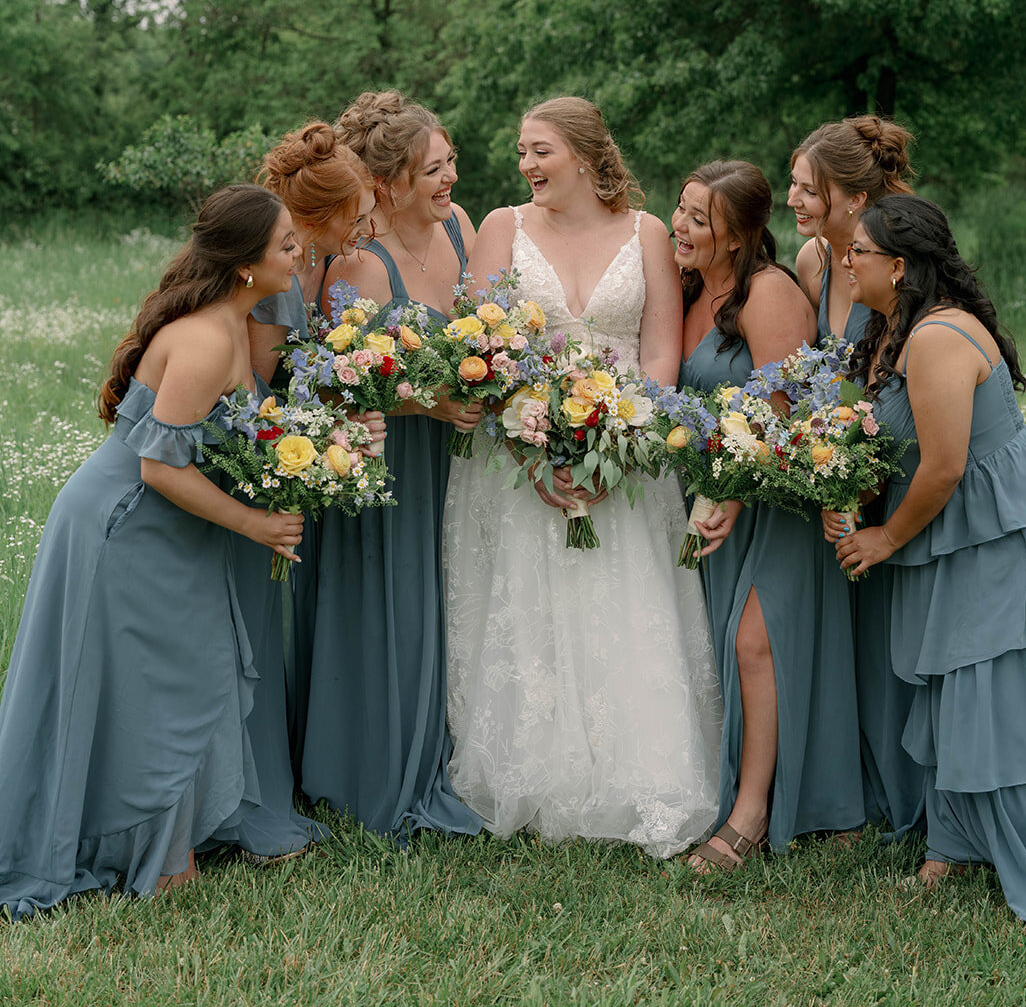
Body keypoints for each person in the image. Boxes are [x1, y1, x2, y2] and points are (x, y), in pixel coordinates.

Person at [0, 185, 306, 918]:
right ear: (243, 265)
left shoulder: (241, 319)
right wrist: (256, 525)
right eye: (287, 245)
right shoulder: (203, 338)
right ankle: (155, 857)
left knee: (184, 678)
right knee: (156, 688)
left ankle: (170, 847)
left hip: (170, 528)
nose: (300, 255)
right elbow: (159, 468)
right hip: (125, 526)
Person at [444, 97, 721, 857]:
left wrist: (625, 439)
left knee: (624, 602)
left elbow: (660, 353)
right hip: (517, 449)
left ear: (586, 156)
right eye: (523, 152)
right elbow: (482, 344)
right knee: (528, 602)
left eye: (540, 151)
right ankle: (534, 774)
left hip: (624, 454)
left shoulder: (647, 232)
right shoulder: (502, 228)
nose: (526, 165)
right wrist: (531, 445)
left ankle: (635, 772)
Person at [836, 195, 1026, 938]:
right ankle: (954, 843)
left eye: (857, 253)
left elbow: (939, 468)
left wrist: (881, 540)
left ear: (898, 266)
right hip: (961, 527)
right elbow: (891, 447)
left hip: (997, 530)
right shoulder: (892, 330)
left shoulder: (936, 337)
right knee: (953, 685)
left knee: (995, 693)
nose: (845, 263)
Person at [295, 91, 482, 842]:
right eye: (433, 171)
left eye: (450, 164)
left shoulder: (462, 229)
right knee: (390, 605)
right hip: (389, 458)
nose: (450, 182)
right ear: (390, 184)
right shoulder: (357, 265)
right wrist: (426, 406)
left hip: (458, 456)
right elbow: (336, 380)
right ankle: (370, 767)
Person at [677, 161, 863, 869]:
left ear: (738, 236)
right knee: (728, 650)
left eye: (700, 219)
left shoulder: (768, 293)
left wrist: (730, 490)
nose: (682, 226)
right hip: (713, 497)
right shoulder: (689, 286)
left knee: (756, 646)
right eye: (681, 210)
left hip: (775, 499)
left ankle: (750, 816)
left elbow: (784, 420)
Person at [223, 121, 381, 858]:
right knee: (243, 627)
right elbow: (261, 392)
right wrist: (327, 443)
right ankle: (240, 802)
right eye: (357, 210)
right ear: (324, 216)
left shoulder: (314, 265)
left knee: (261, 622)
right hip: (249, 461)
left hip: (286, 458)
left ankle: (260, 783)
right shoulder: (278, 285)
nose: (366, 223)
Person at [789, 117, 924, 835]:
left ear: (846, 195)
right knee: (853, 630)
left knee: (895, 632)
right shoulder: (814, 262)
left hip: (897, 466)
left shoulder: (899, 257)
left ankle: (913, 794)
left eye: (806, 189)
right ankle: (863, 789)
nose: (793, 201)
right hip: (839, 465)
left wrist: (867, 477)